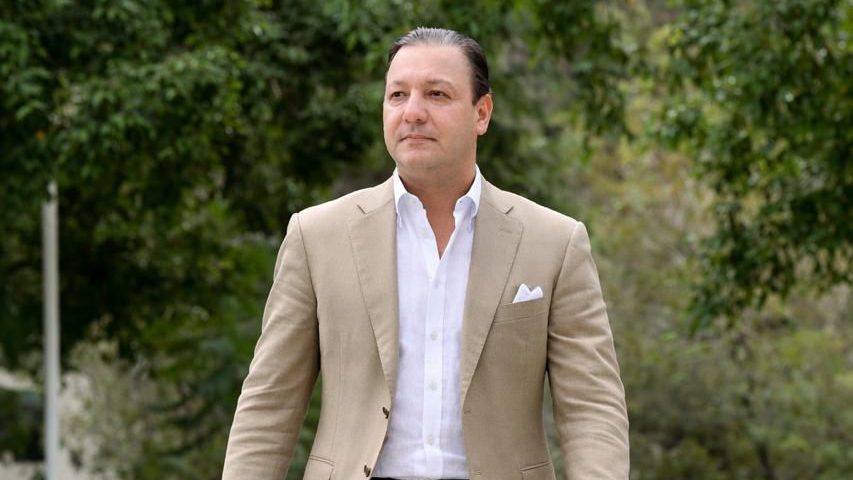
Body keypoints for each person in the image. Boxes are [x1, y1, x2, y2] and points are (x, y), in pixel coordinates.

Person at [222, 27, 629, 480]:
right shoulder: (316, 237)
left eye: (437, 94)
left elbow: (593, 407)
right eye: (398, 95)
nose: (413, 112)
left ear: (482, 113)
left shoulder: (554, 242)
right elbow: (269, 403)